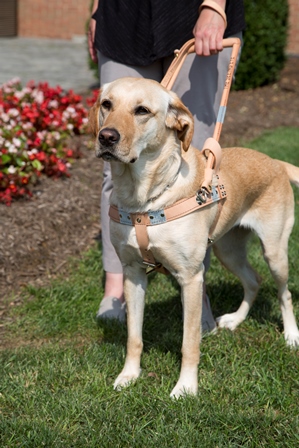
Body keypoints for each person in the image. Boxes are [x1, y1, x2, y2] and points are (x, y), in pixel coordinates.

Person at [88, 0, 245, 329]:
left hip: (194, 13)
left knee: (195, 160)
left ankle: (193, 284)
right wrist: (97, 9)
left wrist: (215, 7)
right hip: (123, 19)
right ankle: (116, 285)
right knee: (115, 161)